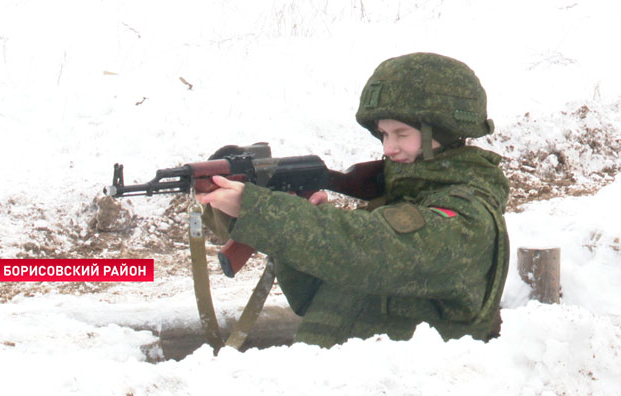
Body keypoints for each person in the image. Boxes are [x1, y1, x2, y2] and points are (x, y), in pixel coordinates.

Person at [197, 52, 510, 348]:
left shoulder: (467, 220)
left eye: (401, 135)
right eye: (384, 135)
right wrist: (281, 220)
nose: (389, 149)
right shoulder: (392, 205)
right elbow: (310, 296)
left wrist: (263, 210)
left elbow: (368, 250)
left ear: (441, 133)